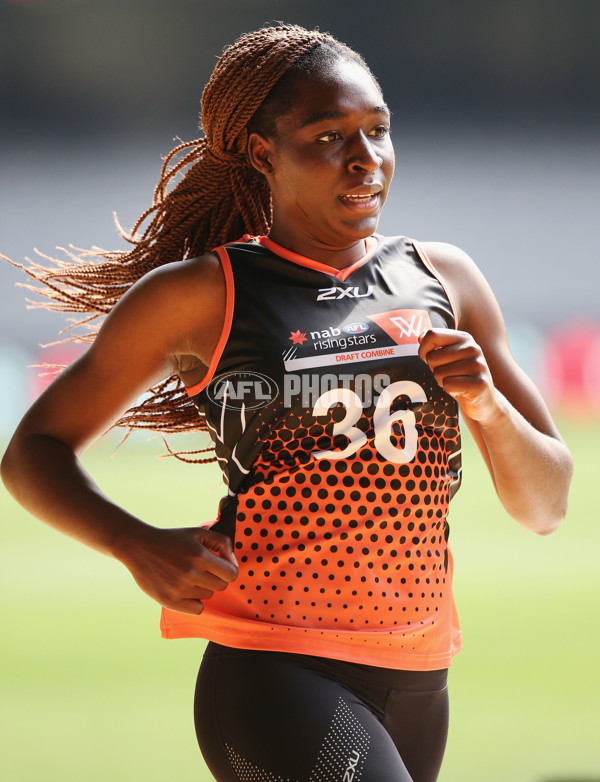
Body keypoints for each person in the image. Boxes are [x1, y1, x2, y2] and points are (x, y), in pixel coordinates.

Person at [1, 23, 573, 782]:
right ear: (265, 153)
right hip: (274, 665)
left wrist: (490, 408)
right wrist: (134, 543)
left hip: (418, 666)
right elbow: (31, 453)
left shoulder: (447, 280)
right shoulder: (201, 295)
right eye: (330, 136)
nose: (366, 158)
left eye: (378, 130)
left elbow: (546, 507)